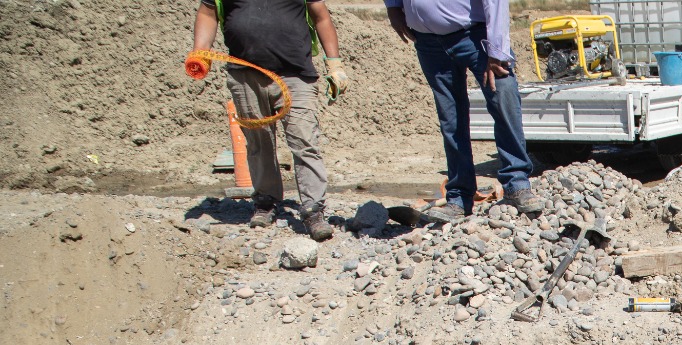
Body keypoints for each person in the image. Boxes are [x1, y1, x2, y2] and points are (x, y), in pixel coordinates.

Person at [192, 0, 348, 241]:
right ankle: (265, 202)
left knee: (304, 141)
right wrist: (200, 51)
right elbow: (208, 13)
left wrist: (335, 64)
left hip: (296, 74)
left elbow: (321, 17)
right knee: (259, 142)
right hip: (245, 75)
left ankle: (313, 210)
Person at [384, 0, 540, 223]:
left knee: (503, 96)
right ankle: (459, 197)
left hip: (475, 35)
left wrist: (497, 50)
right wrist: (393, 6)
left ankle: (517, 183)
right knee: (451, 117)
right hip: (428, 41)